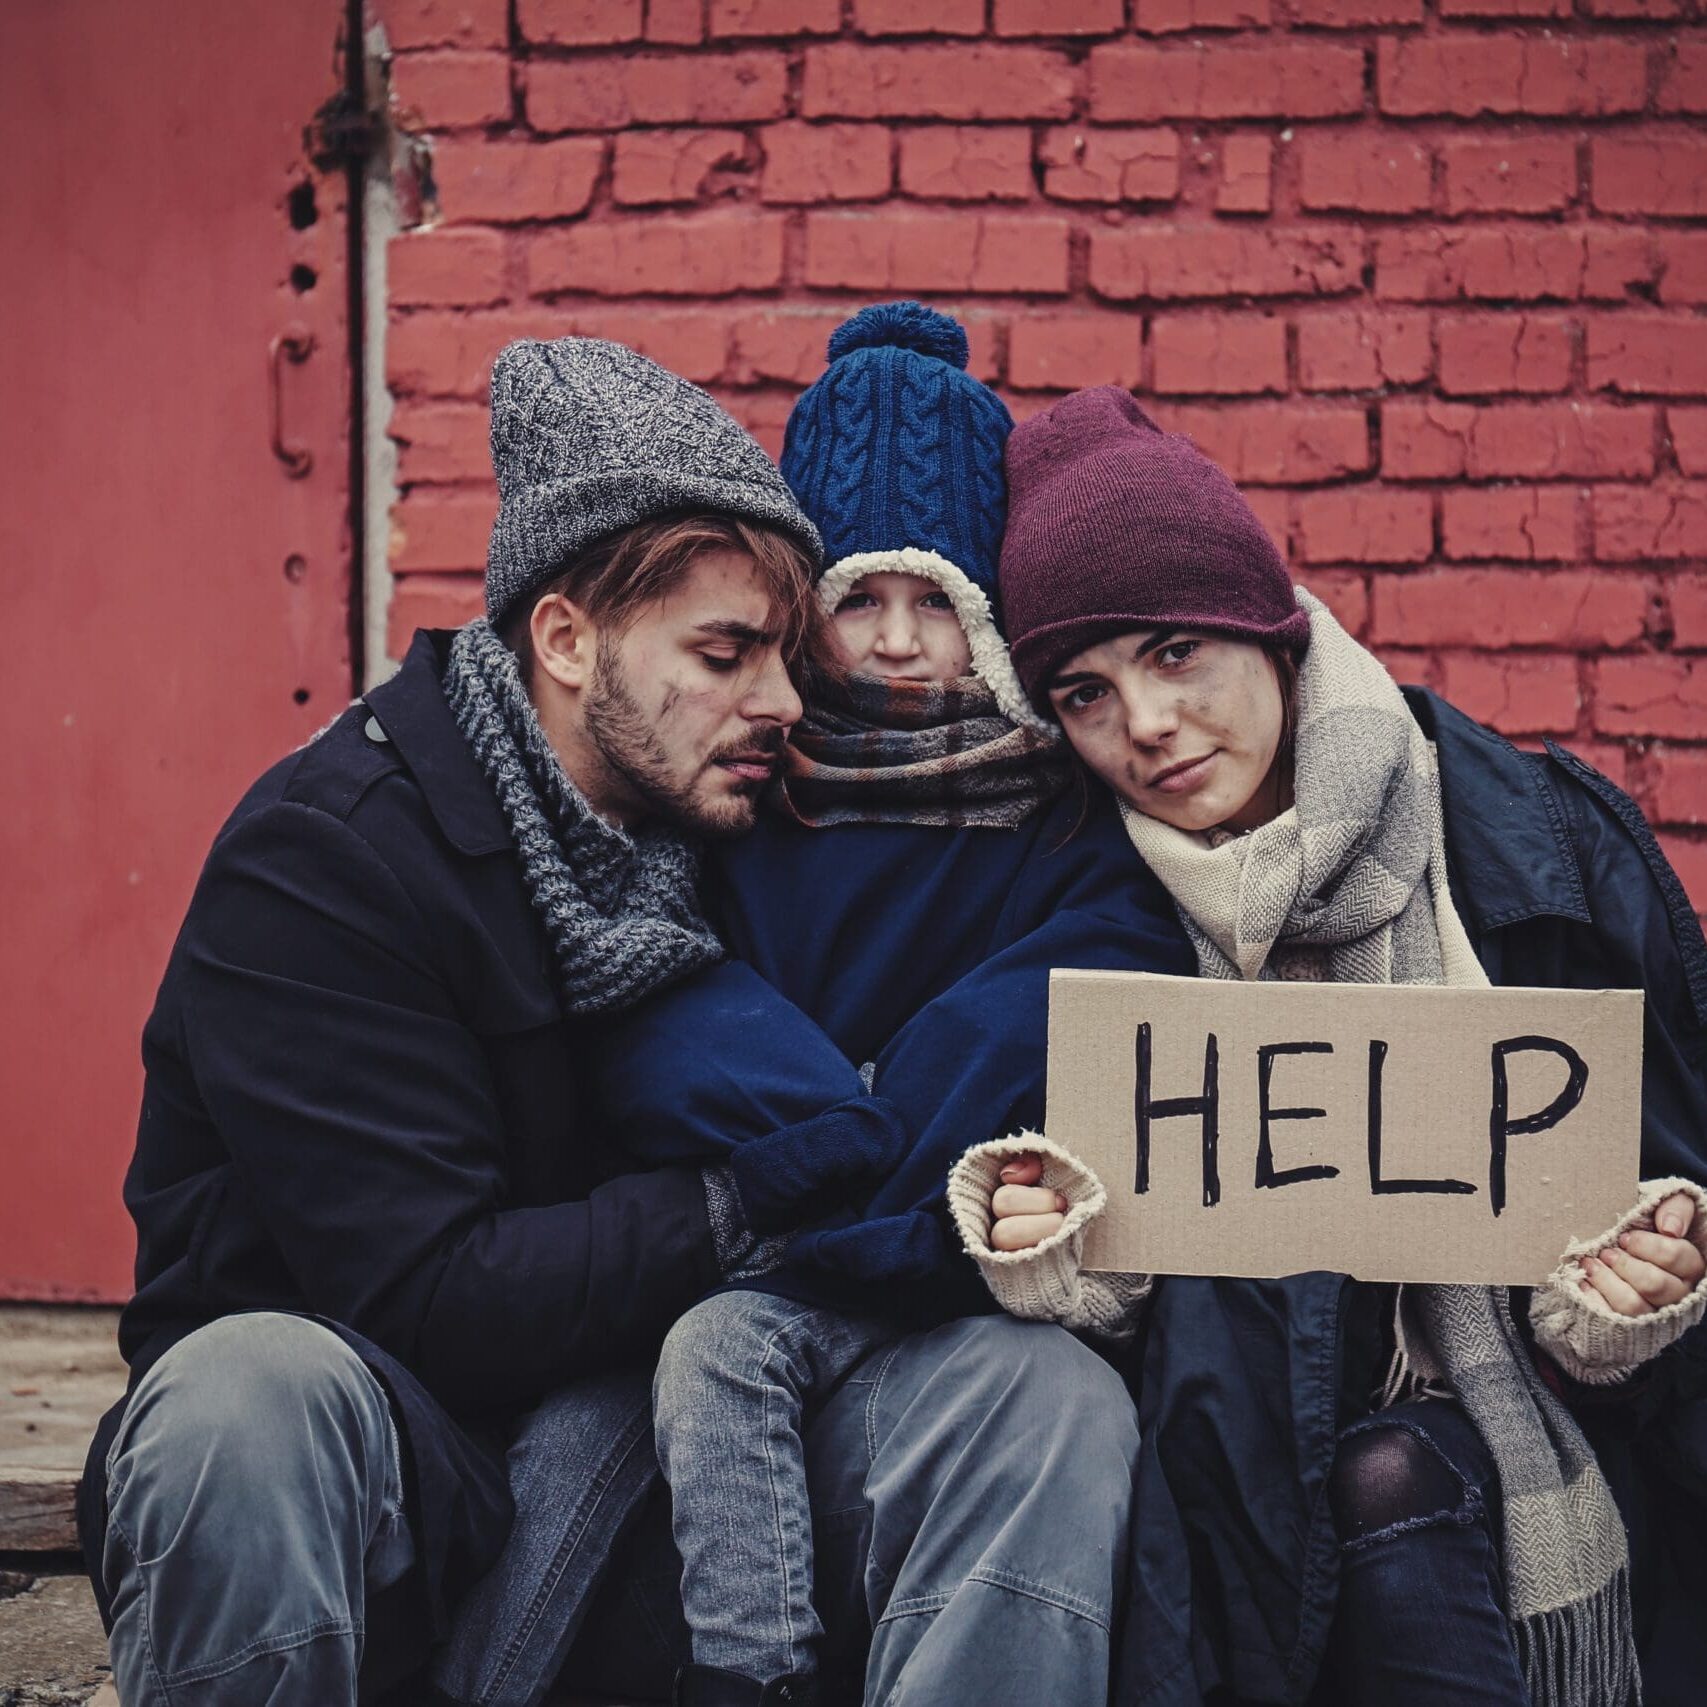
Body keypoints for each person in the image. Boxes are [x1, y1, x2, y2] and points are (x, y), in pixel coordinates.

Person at [82, 337, 1156, 1707]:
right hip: (399, 1478)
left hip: (691, 1457)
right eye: (725, 653)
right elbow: (426, 1296)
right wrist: (748, 1199)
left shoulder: (698, 814)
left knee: (1036, 1398)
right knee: (243, 1391)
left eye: (781, 649)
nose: (782, 699)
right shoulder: (333, 860)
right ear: (567, 639)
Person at [944, 385, 1707, 1707]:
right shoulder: (1085, 914)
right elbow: (1141, 1325)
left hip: (1550, 1460)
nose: (1147, 726)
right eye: (1086, 690)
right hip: (1240, 1506)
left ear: (1270, 628)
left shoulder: (1546, 841)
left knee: (1396, 1474)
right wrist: (1066, 1259)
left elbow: (1672, 1180)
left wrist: (1634, 1293)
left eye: (1176, 650)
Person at [563, 303, 1186, 1706]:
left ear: (989, 622)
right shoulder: (748, 800)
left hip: (968, 1251)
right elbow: (669, 992)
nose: (900, 642)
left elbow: (1075, 989)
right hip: (787, 1247)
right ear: (804, 614)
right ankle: (751, 1664)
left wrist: (901, 1103)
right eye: (859, 602)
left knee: (1033, 1401)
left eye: (939, 606)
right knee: (708, 1357)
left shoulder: (1052, 811)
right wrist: (828, 1121)